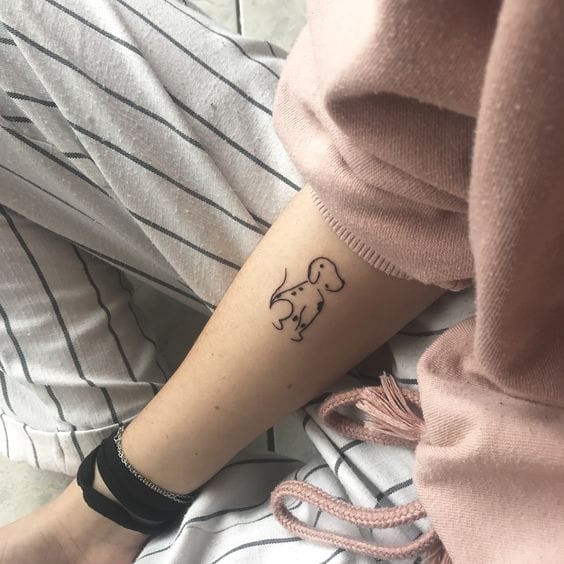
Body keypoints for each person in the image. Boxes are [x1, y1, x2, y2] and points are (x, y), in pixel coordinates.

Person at [0, 1, 562, 564]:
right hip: (492, 276)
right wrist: (107, 504)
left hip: (492, 524)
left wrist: (99, 516)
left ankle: (114, 481)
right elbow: (414, 175)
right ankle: (117, 456)